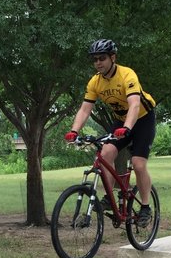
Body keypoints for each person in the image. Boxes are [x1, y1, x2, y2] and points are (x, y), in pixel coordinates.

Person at [65, 39, 157, 226]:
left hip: (142, 118)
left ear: (112, 58)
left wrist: (128, 129)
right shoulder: (95, 82)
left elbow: (134, 104)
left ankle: (146, 207)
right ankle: (110, 197)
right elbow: (84, 109)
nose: (98, 62)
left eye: (102, 58)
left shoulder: (127, 74)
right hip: (121, 121)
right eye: (95, 59)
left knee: (138, 164)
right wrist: (74, 131)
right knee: (105, 153)